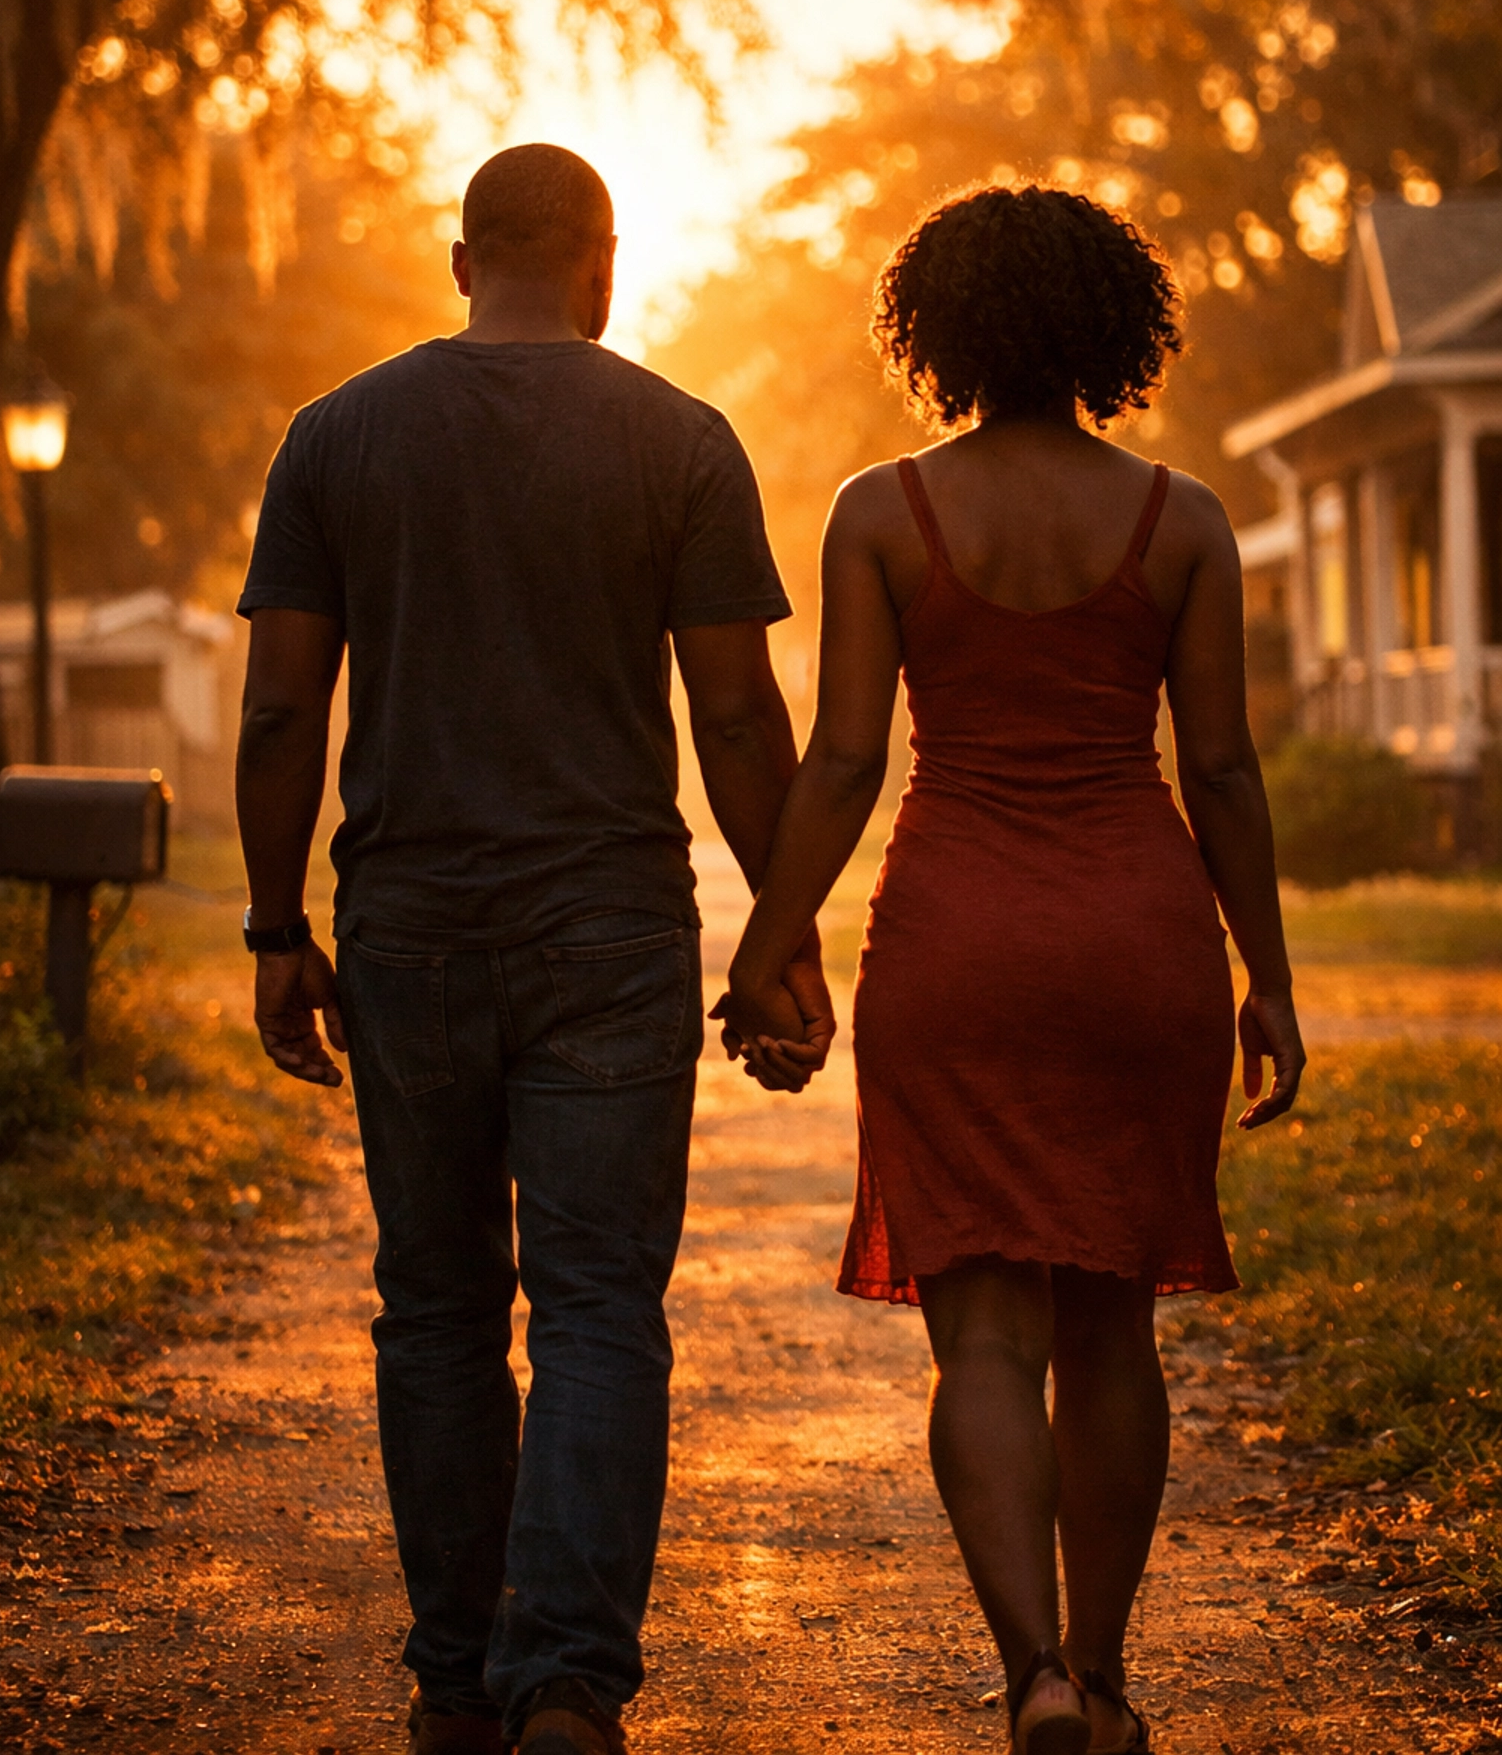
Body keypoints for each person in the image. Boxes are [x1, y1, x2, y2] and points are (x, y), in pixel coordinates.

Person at [234, 143, 832, 1755]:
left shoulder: (335, 437)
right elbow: (735, 717)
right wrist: (782, 936)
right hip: (611, 929)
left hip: (408, 925)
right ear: (603, 262)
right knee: (594, 1307)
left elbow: (283, 710)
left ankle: (454, 1688)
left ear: (459, 261)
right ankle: (564, 1680)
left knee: (435, 1305)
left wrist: (278, 929)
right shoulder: (680, 439)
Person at [724, 184, 1306, 1755]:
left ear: (938, 332)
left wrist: (767, 948)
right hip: (1138, 943)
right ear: (1117, 329)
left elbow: (847, 760)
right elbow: (1224, 770)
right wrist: (1267, 978)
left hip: (956, 944)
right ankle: (1104, 1681)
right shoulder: (1182, 521)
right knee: (1113, 1328)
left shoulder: (881, 512)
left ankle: (1034, 1672)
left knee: (983, 1333)